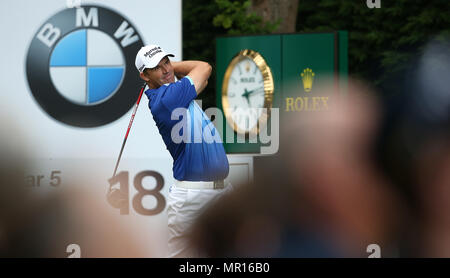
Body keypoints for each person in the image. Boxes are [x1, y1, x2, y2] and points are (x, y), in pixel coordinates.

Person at [134, 44, 230, 258]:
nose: (166, 69)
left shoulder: (175, 91)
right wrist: (174, 68)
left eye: (166, 61)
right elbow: (203, 67)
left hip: (219, 192)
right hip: (193, 197)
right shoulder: (167, 99)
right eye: (157, 67)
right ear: (144, 75)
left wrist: (167, 70)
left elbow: (203, 78)